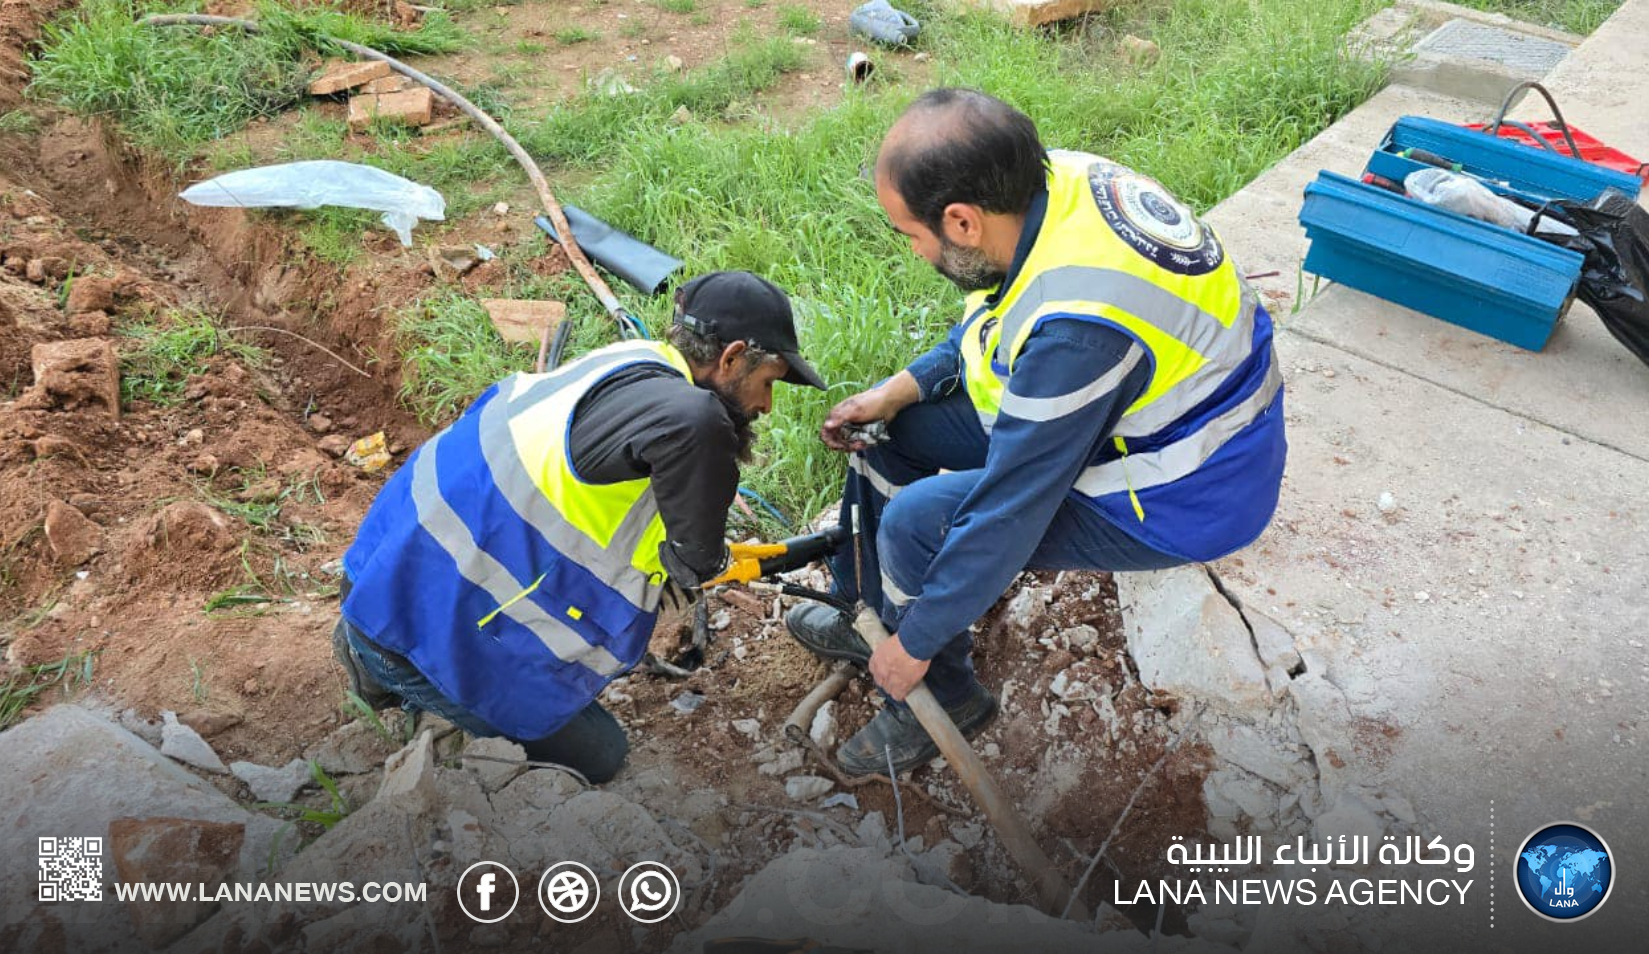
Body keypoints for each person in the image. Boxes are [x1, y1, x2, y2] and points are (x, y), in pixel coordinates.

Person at [787, 88, 1287, 775]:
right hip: (1125, 417)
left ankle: (941, 693)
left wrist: (916, 643)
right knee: (892, 433)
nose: (911, 251)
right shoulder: (1050, 186)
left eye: (910, 234)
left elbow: (1009, 510)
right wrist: (895, 392)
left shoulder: (1079, 332)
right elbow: (994, 313)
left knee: (916, 522)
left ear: (959, 221)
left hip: (1182, 489)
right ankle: (862, 606)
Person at [333, 271, 825, 783]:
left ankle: (374, 655)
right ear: (731, 357)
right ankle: (391, 673)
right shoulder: (695, 419)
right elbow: (697, 559)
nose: (766, 405)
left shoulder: (629, 360)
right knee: (601, 755)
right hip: (409, 633)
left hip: (376, 571)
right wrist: (693, 566)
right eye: (767, 382)